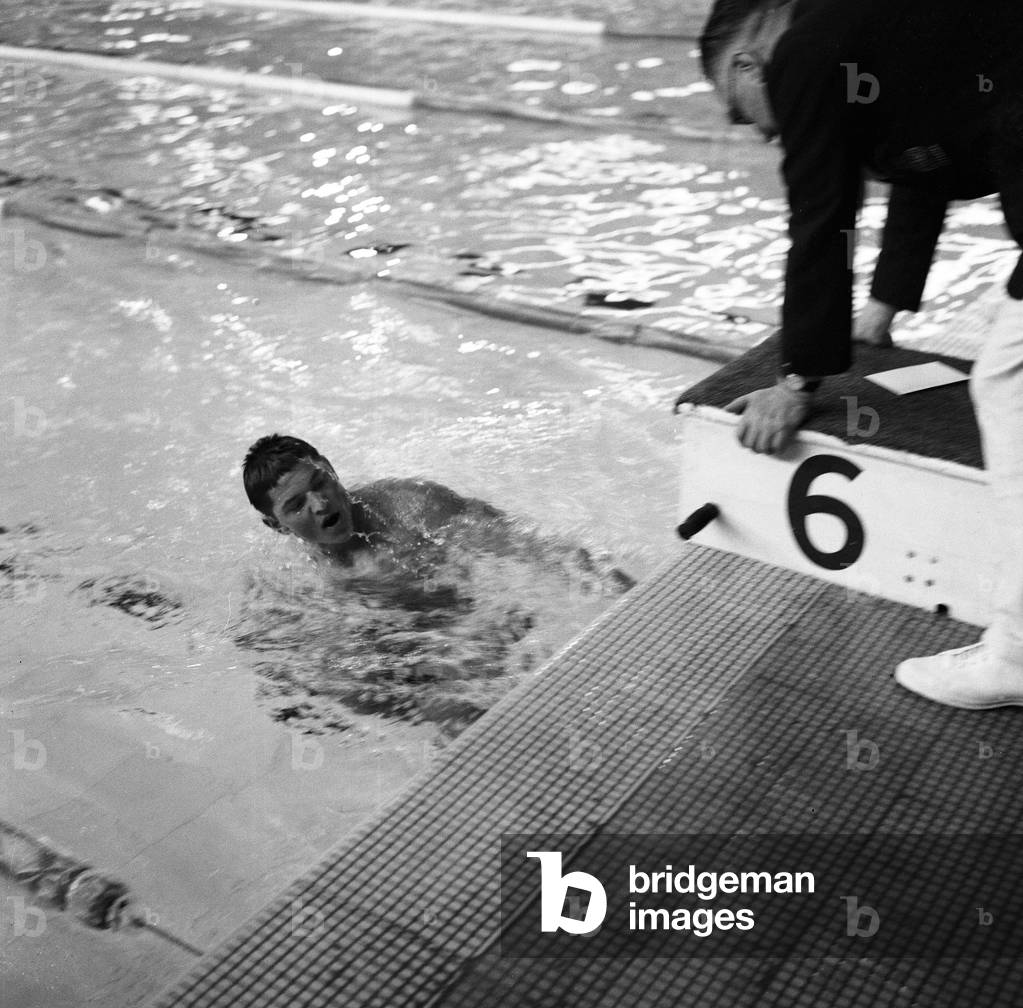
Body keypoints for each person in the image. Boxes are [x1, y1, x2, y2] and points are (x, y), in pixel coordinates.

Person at [700, 0, 1023, 708]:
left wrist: (795, 379)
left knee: (1008, 381)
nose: (753, 129)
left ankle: (1017, 654)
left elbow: (821, 215)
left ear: (752, 61)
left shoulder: (805, 50)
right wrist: (880, 310)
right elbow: (922, 159)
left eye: (735, 104)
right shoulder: (866, 30)